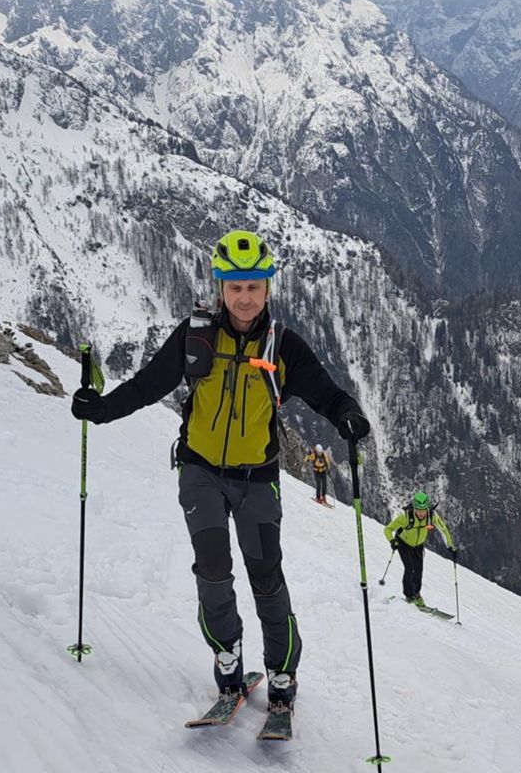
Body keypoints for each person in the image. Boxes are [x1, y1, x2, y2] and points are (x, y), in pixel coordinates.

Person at [71, 229, 371, 714]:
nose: (245, 297)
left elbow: (327, 394)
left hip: (257, 478)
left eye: (254, 286)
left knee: (266, 577)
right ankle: (227, 657)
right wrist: (100, 409)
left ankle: (281, 672)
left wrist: (350, 417)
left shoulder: (283, 347)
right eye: (235, 287)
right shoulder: (196, 337)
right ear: (220, 287)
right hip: (200, 471)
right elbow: (150, 384)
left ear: (267, 289)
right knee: (213, 570)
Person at [383, 491, 457, 608]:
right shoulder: (406, 517)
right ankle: (409, 596)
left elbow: (443, 529)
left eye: (423, 510)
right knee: (409, 568)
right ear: (414, 508)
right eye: (419, 510)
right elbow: (387, 529)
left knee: (418, 571)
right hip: (403, 543)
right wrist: (392, 541)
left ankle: (416, 594)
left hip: (418, 546)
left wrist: (450, 546)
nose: (421, 513)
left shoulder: (432, 516)